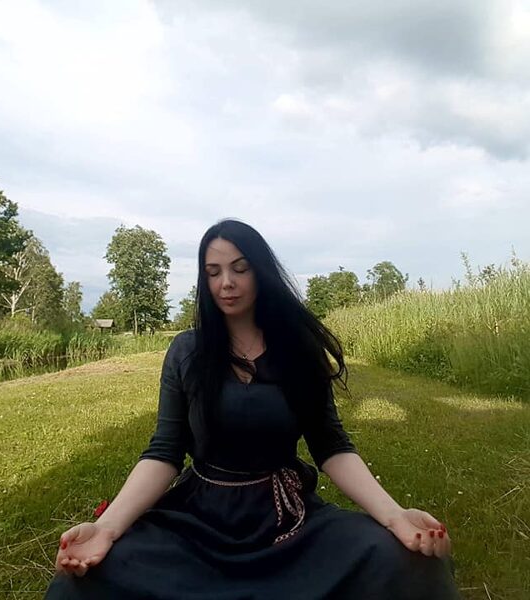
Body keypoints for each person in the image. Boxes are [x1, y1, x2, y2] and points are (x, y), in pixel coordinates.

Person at [44, 218, 460, 599]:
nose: (226, 283)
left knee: (404, 561)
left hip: (285, 521)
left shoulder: (299, 351)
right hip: (198, 520)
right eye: (213, 272)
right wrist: (106, 528)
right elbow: (164, 451)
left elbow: (331, 445)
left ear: (261, 271)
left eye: (239, 269)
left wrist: (394, 516)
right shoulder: (187, 351)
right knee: (88, 578)